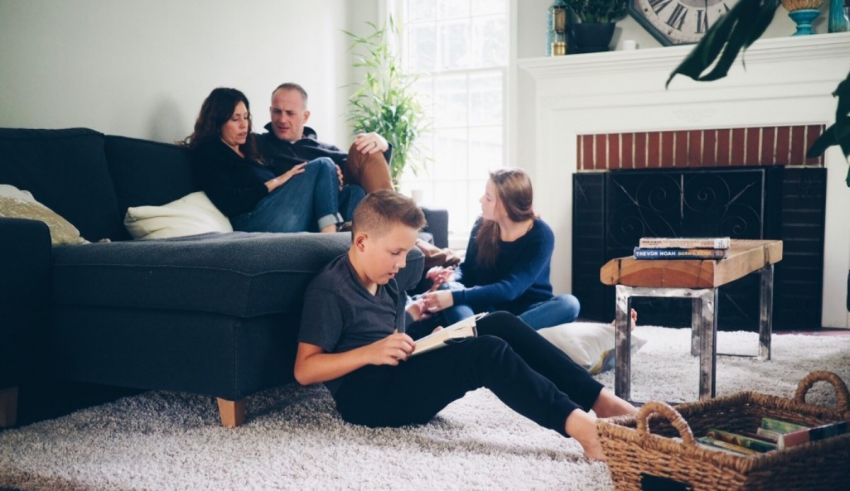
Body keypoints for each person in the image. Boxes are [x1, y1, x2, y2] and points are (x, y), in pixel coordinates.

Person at [294, 190, 636, 460]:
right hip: (367, 400)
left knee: (496, 323)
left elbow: (388, 333)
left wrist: (426, 332)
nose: (402, 264)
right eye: (395, 252)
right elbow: (305, 370)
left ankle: (602, 401)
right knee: (485, 353)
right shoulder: (330, 289)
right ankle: (583, 430)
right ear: (362, 242)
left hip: (395, 373)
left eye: (406, 252)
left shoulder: (383, 276)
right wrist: (371, 352)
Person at [257, 82, 460, 267]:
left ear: (305, 116)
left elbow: (364, 173)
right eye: (277, 112)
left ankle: (404, 233)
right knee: (330, 169)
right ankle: (413, 241)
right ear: (270, 111)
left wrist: (381, 143)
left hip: (340, 208)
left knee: (363, 148)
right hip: (301, 217)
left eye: (290, 113)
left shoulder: (323, 148)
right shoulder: (257, 145)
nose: (282, 119)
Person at [420, 168, 578, 330]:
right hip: (486, 306)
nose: (481, 200)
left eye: (488, 198)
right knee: (446, 289)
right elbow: (467, 270)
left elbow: (511, 288)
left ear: (508, 205)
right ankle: (498, 335)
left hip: (529, 310)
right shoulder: (481, 225)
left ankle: (483, 336)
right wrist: (452, 277)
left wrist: (454, 297)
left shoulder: (542, 235)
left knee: (570, 304)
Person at [187, 87, 344, 233]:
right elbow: (230, 202)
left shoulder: (249, 149)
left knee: (353, 192)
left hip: (277, 210)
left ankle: (349, 244)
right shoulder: (208, 151)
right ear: (217, 122)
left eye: (246, 117)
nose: (244, 126)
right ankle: (329, 240)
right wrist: (276, 182)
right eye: (235, 119)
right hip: (253, 221)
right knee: (323, 164)